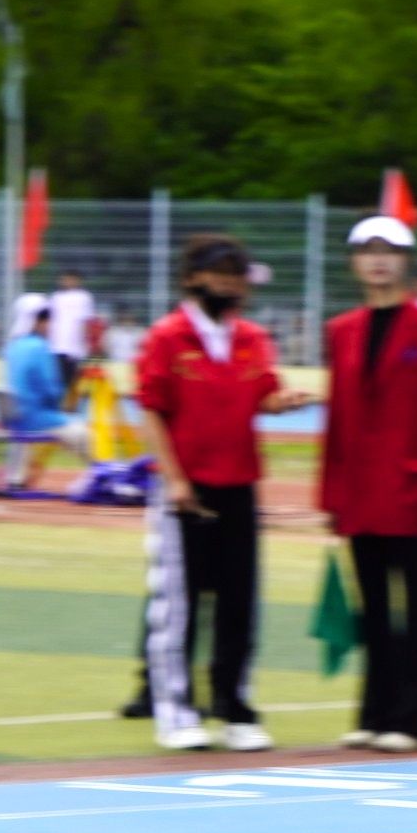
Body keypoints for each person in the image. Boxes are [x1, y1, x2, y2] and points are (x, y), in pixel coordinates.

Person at [136, 235, 313, 751]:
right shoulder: (167, 337)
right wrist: (174, 479)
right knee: (179, 605)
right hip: (184, 488)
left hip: (240, 483)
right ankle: (175, 709)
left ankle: (235, 705)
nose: (233, 284)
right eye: (222, 273)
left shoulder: (252, 337)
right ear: (193, 278)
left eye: (239, 275)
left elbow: (263, 395)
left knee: (240, 600)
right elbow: (151, 409)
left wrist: (283, 401)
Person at [320, 215, 417, 753]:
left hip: (412, 492)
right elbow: (337, 417)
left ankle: (414, 718)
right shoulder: (341, 331)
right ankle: (375, 711)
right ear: (354, 262)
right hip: (360, 493)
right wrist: (330, 496)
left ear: (406, 261)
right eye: (367, 250)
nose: (378, 260)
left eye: (389, 251)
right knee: (375, 608)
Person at [1, 297, 89, 490]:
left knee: (24, 428)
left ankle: (15, 478)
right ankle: (101, 472)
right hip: (37, 418)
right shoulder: (40, 347)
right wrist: (60, 404)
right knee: (82, 433)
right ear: (34, 321)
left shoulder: (11, 348)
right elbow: (50, 389)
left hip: (14, 418)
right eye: (45, 320)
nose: (49, 325)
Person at [47, 271, 99, 391]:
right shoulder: (56, 297)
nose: (67, 282)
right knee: (58, 378)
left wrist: (87, 344)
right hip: (57, 345)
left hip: (75, 346)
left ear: (78, 281)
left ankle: (70, 405)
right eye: (64, 279)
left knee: (73, 381)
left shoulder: (84, 297)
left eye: (70, 279)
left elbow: (86, 321)